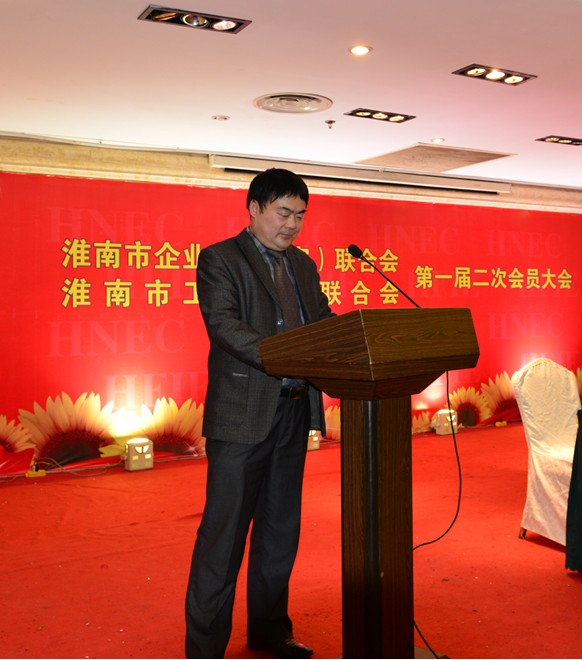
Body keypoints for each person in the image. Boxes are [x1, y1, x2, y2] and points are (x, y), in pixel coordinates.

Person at [185, 168, 334, 659]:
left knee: (279, 531)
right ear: (254, 208)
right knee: (223, 537)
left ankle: (270, 631)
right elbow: (225, 326)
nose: (292, 225)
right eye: (283, 213)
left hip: (292, 414)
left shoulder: (304, 265)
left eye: (300, 216)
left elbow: (322, 323)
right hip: (241, 418)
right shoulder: (220, 259)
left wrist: (351, 341)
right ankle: (205, 649)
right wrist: (288, 355)